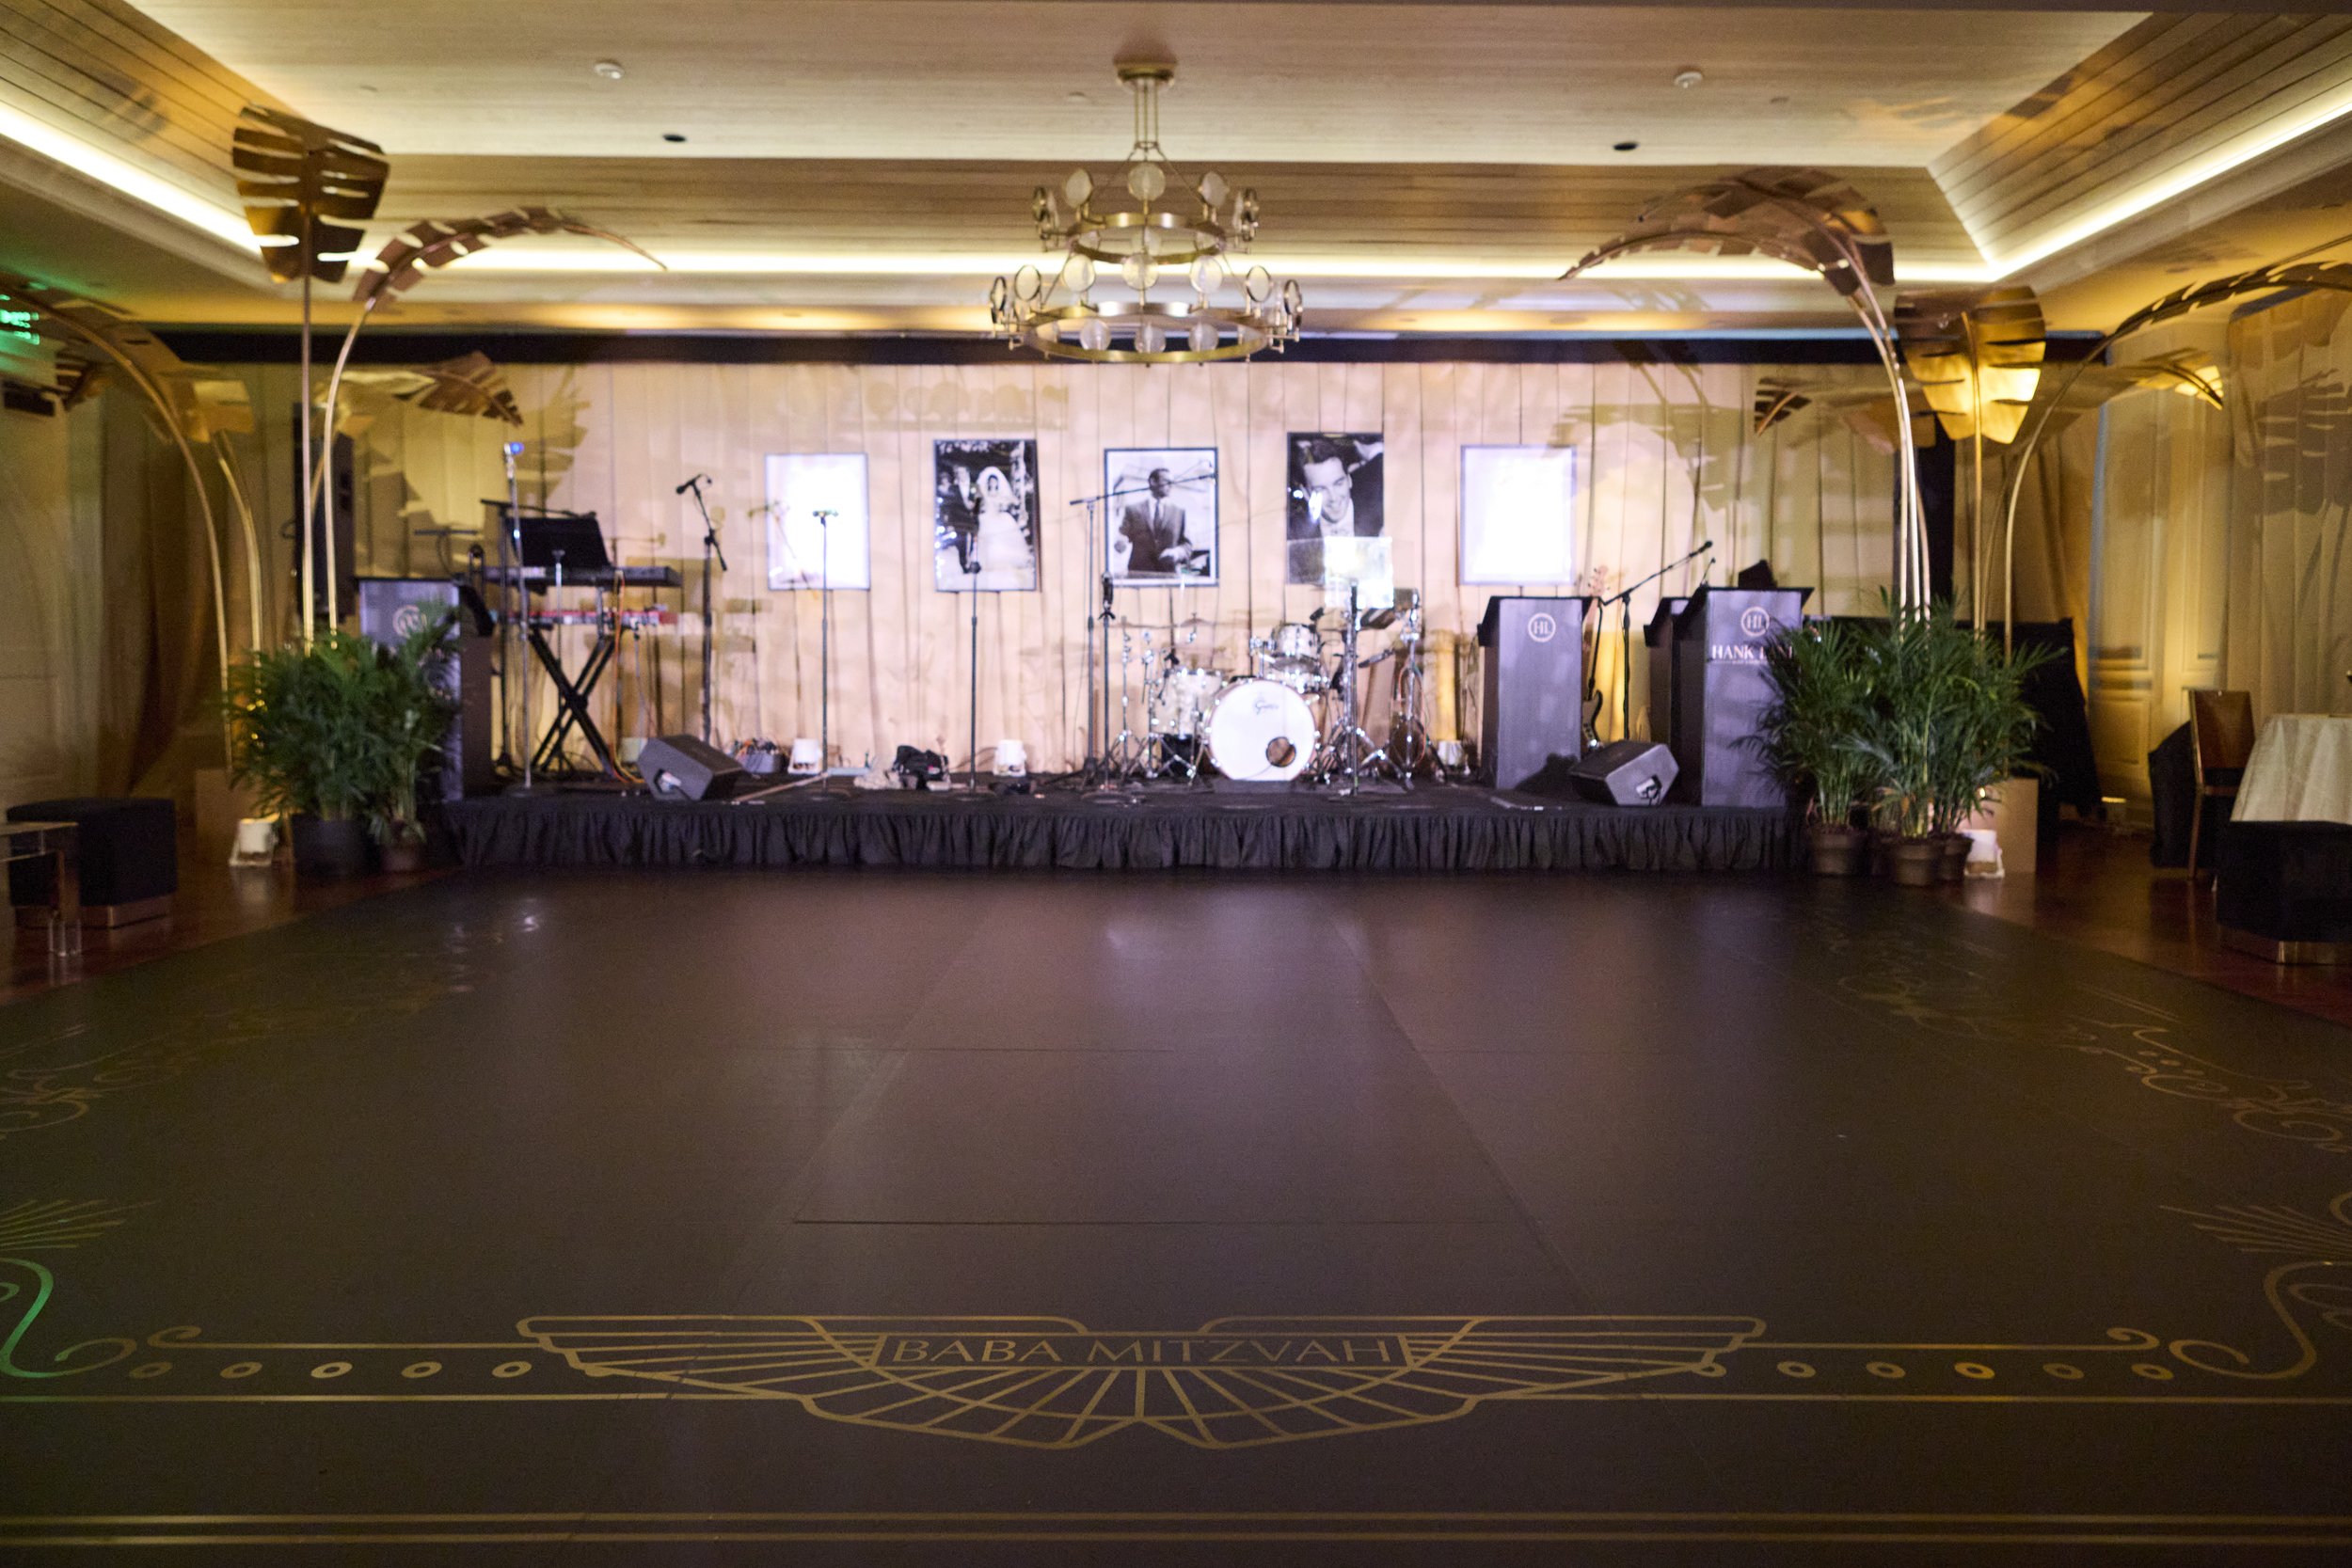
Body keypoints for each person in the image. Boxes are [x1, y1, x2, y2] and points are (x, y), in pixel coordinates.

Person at [1117, 467, 1196, 578]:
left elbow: (1187, 545)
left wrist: (1176, 553)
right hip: (1139, 575)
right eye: (1167, 482)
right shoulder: (1133, 510)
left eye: (1172, 483)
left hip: (1169, 576)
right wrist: (1120, 543)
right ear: (1153, 482)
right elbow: (1122, 537)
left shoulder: (1179, 512)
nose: (1171, 486)